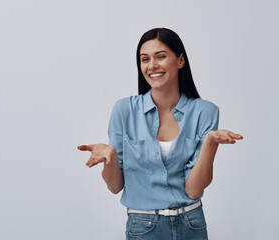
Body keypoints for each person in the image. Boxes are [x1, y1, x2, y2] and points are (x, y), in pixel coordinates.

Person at [78, 28, 243, 240]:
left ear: (180, 60)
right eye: (145, 59)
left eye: (161, 56)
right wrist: (110, 156)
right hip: (143, 226)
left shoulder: (205, 112)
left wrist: (210, 143)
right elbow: (115, 186)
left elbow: (193, 190)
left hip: (191, 223)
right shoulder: (124, 110)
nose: (152, 65)